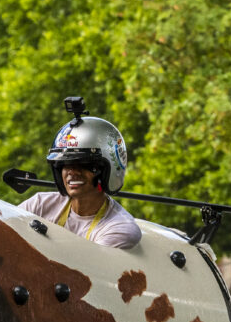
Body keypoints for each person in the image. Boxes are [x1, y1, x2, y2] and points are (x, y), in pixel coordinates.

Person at [18, 105, 143, 249]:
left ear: (105, 170)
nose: (72, 171)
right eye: (65, 164)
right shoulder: (39, 204)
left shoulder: (120, 228)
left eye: (83, 164)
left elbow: (85, 263)